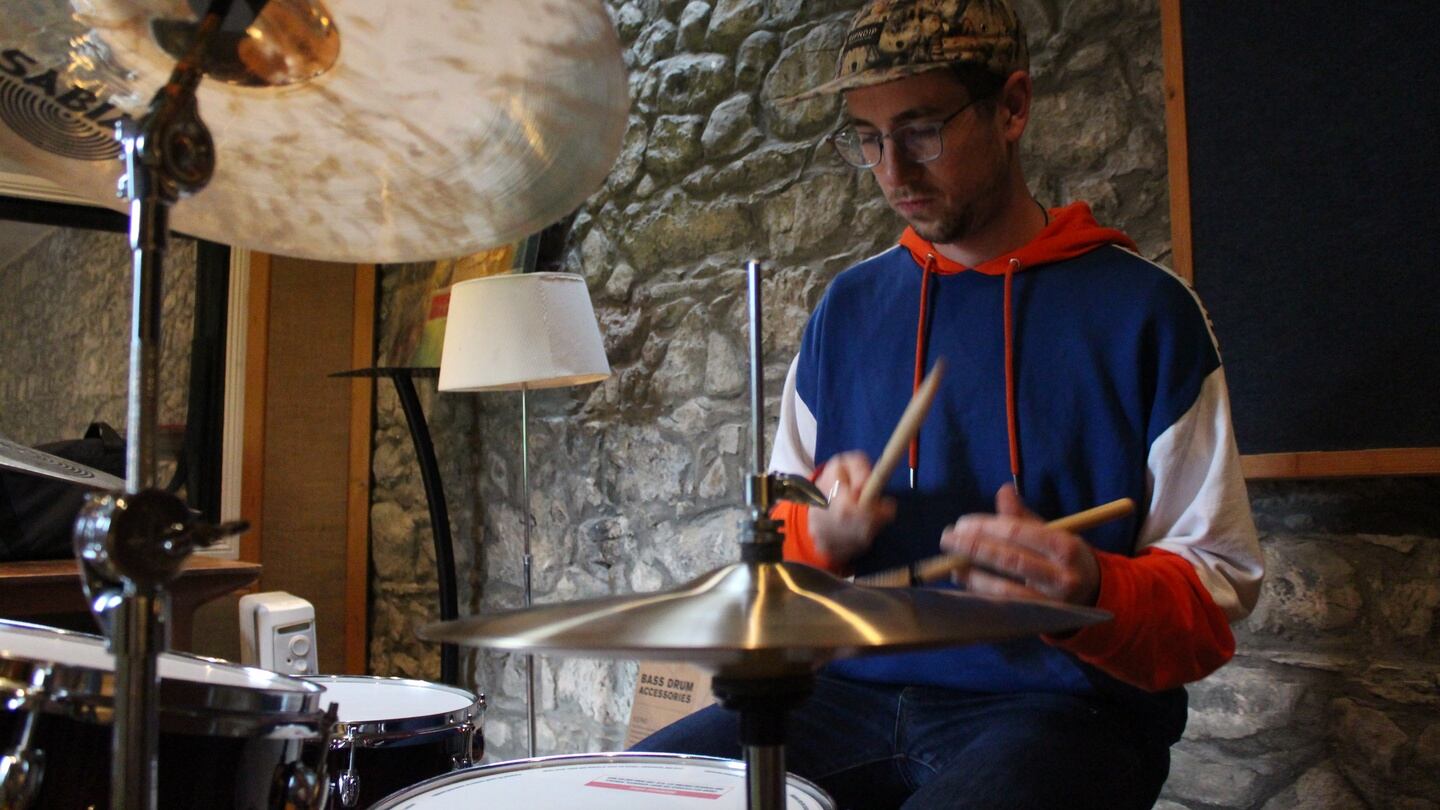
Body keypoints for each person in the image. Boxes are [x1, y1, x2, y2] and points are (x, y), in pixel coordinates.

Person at [632, 1, 1264, 807]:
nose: (893, 170)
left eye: (922, 129)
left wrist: (1091, 588)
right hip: (844, 694)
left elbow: (1216, 590)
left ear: (1012, 106)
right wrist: (819, 539)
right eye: (867, 137)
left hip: (1062, 709)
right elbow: (779, 555)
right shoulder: (847, 312)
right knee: (637, 791)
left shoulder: (1147, 314)